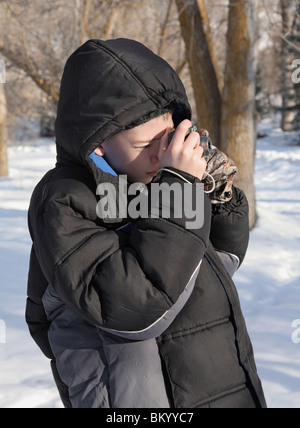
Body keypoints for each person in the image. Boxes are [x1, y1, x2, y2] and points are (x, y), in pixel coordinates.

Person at [26, 38, 267, 408]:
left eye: (166, 139)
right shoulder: (65, 201)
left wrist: (216, 196)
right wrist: (180, 192)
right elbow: (136, 309)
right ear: (98, 146)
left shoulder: (154, 182)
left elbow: (214, 265)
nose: (160, 155)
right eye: (144, 146)